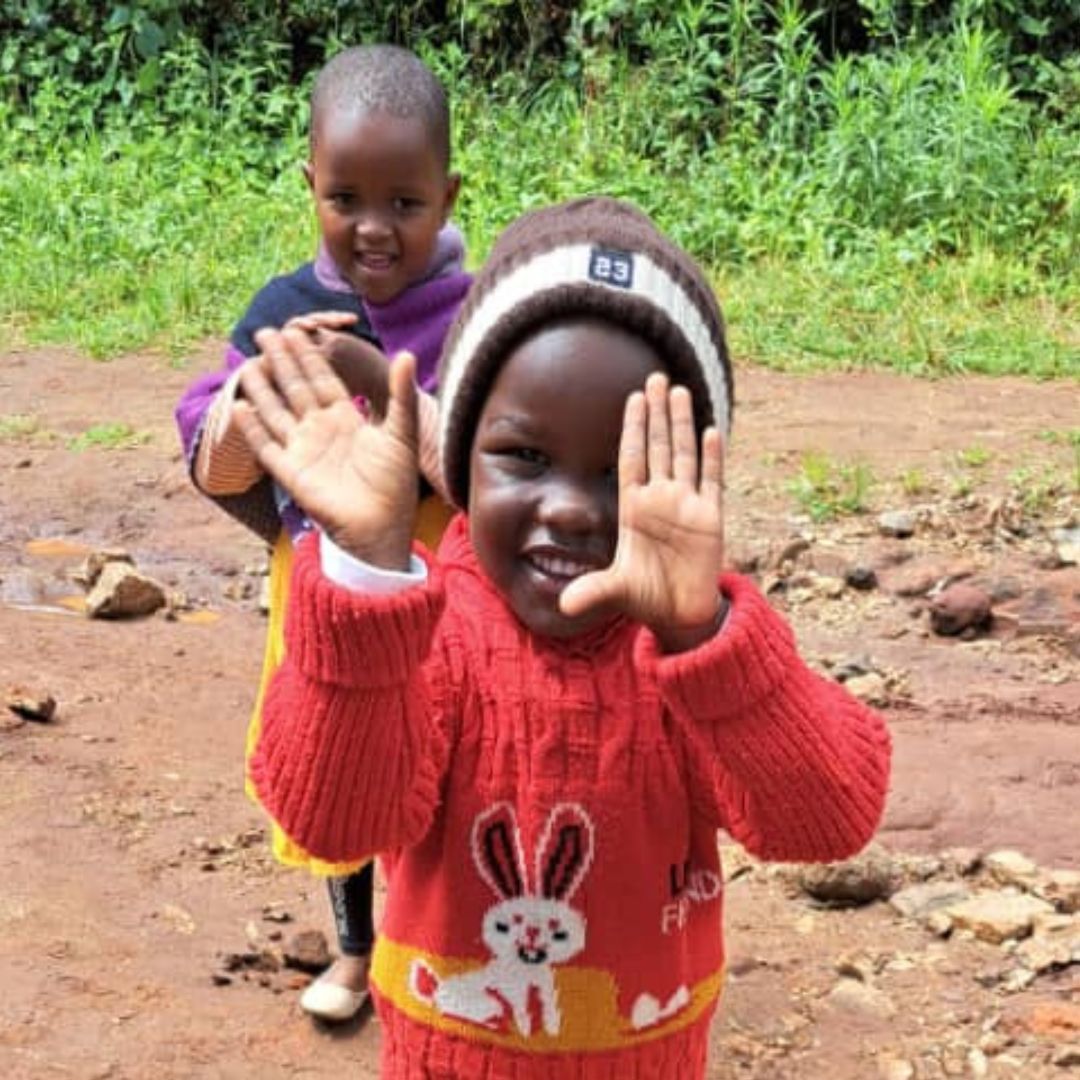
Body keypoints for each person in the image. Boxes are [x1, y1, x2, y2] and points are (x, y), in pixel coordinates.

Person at [237, 196, 891, 1078]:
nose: (574, 508)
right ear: (457, 458)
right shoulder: (432, 636)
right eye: (525, 457)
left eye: (624, 469)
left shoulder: (693, 652)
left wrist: (703, 636)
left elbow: (827, 820)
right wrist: (365, 572)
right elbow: (333, 819)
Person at [173, 43, 471, 1023]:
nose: (373, 227)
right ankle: (354, 948)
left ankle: (444, 937)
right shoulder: (283, 312)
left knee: (446, 753)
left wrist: (377, 379)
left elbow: (490, 463)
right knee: (337, 753)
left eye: (406, 203)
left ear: (448, 195)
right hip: (322, 581)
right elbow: (214, 463)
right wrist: (252, 402)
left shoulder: (471, 315)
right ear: (310, 185)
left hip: (445, 584)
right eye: (346, 199)